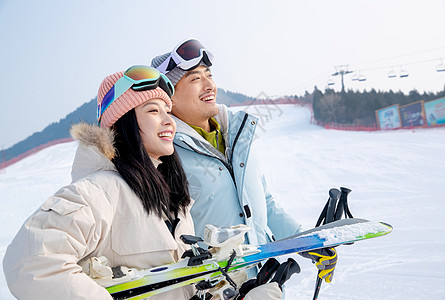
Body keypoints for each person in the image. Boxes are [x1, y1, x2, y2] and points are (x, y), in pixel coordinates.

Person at [2, 65, 296, 300]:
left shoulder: (173, 203)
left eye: (168, 112)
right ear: (124, 124)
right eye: (154, 111)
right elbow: (30, 263)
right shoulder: (98, 191)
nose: (169, 121)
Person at [151, 38, 337, 283]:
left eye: (209, 75)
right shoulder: (163, 154)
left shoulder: (238, 138)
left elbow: (266, 205)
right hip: (214, 290)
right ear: (169, 97)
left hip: (262, 285)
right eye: (195, 79)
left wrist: (306, 242)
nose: (209, 85)